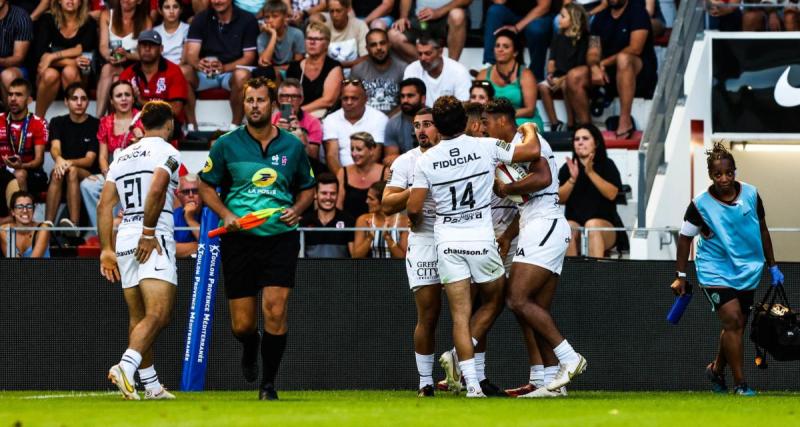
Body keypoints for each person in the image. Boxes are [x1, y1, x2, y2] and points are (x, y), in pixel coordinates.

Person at [406, 96, 542, 397]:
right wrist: (529, 127)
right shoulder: (485, 146)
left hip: (447, 242)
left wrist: (419, 220)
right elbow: (532, 150)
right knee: (494, 301)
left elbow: (414, 207)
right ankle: (469, 377)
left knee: (459, 315)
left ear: (438, 126)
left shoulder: (426, 160)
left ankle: (471, 387)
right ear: (465, 122)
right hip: (481, 239)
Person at [198, 77, 315, 401]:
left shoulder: (293, 145)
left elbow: (308, 187)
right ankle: (251, 344)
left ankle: (268, 385)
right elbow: (205, 184)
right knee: (242, 325)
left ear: (273, 104)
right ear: (244, 104)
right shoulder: (225, 144)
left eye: (261, 100)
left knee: (276, 310)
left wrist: (297, 208)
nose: (254, 106)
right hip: (240, 240)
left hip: (280, 237)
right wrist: (226, 214)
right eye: (249, 100)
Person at [488, 97, 586, 397]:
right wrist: (507, 234)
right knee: (534, 308)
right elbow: (529, 200)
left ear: (502, 120)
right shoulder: (515, 144)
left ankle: (570, 359)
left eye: (489, 122)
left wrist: (506, 188)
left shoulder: (528, 140)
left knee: (517, 299)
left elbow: (543, 179)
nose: (487, 128)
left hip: (545, 224)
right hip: (538, 223)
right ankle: (548, 383)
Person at [671, 143, 784, 397]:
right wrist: (680, 276)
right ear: (711, 176)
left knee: (737, 325)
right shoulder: (700, 204)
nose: (724, 179)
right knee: (733, 319)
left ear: (735, 171)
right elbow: (684, 238)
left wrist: (773, 265)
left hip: (747, 269)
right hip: (714, 269)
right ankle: (741, 384)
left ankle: (716, 369)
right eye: (718, 174)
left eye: (728, 173)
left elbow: (763, 230)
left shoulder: (752, 195)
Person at [99, 101, 181, 401]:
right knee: (160, 313)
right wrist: (148, 232)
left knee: (140, 316)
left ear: (142, 124)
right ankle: (126, 366)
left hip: (123, 239)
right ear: (169, 123)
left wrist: (106, 248)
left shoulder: (121, 156)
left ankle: (152, 386)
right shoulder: (168, 151)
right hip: (153, 236)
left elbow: (105, 204)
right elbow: (158, 188)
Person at [382, 107, 441, 396]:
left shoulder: (455, 154)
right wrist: (418, 188)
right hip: (423, 238)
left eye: (427, 124)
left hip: (458, 235)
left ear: (440, 127)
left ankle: (471, 376)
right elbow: (387, 203)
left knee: (468, 312)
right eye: (417, 126)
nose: (421, 130)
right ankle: (425, 381)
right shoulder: (406, 161)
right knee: (428, 314)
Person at [565, 0, 657, 139]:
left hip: (639, 75)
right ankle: (588, 130)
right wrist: (594, 66)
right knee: (573, 76)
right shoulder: (601, 16)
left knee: (623, 59)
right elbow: (593, 51)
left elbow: (635, 48)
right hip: (609, 74)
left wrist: (604, 63)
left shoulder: (638, 12)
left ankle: (625, 122)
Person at [182, 0, 259, 130]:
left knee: (242, 75)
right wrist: (199, 64)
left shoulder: (247, 19)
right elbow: (191, 53)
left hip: (230, 73)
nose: (217, 1)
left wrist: (224, 68)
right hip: (204, 73)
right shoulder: (201, 18)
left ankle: (234, 127)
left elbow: (249, 57)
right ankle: (191, 127)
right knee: (183, 71)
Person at [81, 80, 144, 233]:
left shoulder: (142, 119)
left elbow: (146, 154)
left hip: (137, 173)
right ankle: (103, 231)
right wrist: (108, 174)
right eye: (119, 95)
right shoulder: (106, 122)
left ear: (133, 98)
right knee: (87, 185)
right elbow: (102, 157)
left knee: (120, 187)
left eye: (127, 95)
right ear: (111, 100)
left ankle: (119, 230)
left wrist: (142, 138)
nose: (123, 99)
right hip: (113, 171)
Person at [558, 124, 624, 257]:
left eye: (585, 138)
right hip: (576, 225)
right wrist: (572, 179)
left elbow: (612, 194)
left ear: (596, 143)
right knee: (567, 227)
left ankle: (595, 276)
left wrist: (590, 172)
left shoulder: (607, 164)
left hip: (606, 227)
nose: (580, 142)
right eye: (577, 139)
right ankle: (572, 276)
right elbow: (558, 199)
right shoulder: (567, 168)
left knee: (592, 225)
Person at [44, 84, 100, 232]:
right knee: (59, 172)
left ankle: (74, 224)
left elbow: (89, 160)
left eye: (83, 99)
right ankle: (48, 224)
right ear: (66, 102)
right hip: (63, 172)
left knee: (72, 170)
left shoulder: (95, 124)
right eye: (74, 99)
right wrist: (60, 160)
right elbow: (55, 148)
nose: (79, 103)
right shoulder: (57, 121)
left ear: (88, 102)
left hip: (88, 175)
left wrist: (66, 163)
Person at [33, 0, 98, 118]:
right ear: (59, 1)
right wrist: (73, 61)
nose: (70, 0)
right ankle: (38, 121)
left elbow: (81, 51)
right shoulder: (48, 20)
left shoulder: (89, 23)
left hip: (77, 80)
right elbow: (40, 55)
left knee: (69, 71)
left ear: (80, 3)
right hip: (47, 84)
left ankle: (74, 122)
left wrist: (52, 56)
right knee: (50, 74)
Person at [119, 30, 189, 132]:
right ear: (138, 48)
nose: (147, 49)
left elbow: (176, 110)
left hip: (166, 125)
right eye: (143, 45)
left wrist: (141, 101)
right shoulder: (128, 73)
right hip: (136, 123)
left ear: (161, 49)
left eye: (152, 45)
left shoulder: (173, 71)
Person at [476, 30, 543, 129]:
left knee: (508, 128)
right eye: (497, 46)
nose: (500, 49)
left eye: (505, 46)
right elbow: (476, 103)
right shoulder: (483, 75)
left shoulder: (526, 75)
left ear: (515, 52)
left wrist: (501, 117)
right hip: (493, 120)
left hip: (523, 120)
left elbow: (529, 110)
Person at [96, 0, 153, 117]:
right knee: (115, 78)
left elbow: (146, 54)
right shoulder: (106, 15)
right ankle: (108, 122)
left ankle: (99, 119)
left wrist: (127, 56)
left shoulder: (146, 21)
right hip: (112, 61)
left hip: (135, 65)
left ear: (139, 1)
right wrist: (109, 56)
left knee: (109, 70)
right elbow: (103, 46)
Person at [539, 3, 589, 132]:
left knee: (567, 84)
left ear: (573, 19)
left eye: (563, 16)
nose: (559, 19)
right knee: (543, 87)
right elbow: (552, 59)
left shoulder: (582, 39)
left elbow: (580, 65)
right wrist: (550, 75)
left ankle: (571, 122)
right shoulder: (558, 36)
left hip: (570, 77)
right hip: (557, 74)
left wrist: (562, 79)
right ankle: (555, 123)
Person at [321, 79, 388, 175]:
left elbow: (375, 154)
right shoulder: (330, 119)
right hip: (340, 175)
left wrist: (361, 177)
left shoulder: (379, 118)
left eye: (354, 98)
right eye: (345, 98)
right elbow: (332, 155)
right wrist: (343, 179)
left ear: (365, 99)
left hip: (370, 174)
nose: (349, 102)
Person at [0, 79, 48, 202]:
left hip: (30, 172)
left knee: (19, 173)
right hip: (2, 171)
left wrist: (22, 165)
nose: (13, 99)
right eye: (10, 94)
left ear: (29, 100)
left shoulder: (39, 123)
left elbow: (39, 160)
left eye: (18, 95)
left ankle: (22, 215)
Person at [483, 0, 555, 81]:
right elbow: (499, 1)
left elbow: (544, 7)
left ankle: (535, 77)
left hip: (538, 16)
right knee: (495, 11)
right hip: (513, 14)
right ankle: (490, 66)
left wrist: (517, 28)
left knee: (536, 29)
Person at [285, 22, 344, 117]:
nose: (312, 42)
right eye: (309, 38)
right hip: (293, 116)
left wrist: (299, 111)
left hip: (322, 116)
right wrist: (285, 116)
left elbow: (328, 101)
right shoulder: (294, 66)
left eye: (317, 39)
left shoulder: (334, 67)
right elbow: (286, 97)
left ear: (327, 43)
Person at [388, 0, 469, 62]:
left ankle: (451, 66)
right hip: (421, 18)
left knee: (458, 15)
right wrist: (403, 16)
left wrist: (439, 12)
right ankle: (430, 62)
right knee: (393, 35)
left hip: (447, 17)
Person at [350, 28, 407, 116]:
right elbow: (353, 101)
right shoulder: (358, 70)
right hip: (367, 120)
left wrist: (388, 119)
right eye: (373, 45)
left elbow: (407, 102)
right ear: (367, 48)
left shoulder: (403, 69)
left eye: (382, 43)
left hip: (395, 120)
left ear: (389, 44)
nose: (379, 48)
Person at [402, 36, 471, 107]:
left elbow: (464, 106)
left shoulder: (459, 71)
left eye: (427, 53)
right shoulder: (411, 69)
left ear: (440, 52)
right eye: (420, 54)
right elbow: (407, 103)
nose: (423, 58)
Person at [271, 78, 324, 171]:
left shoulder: (313, 122)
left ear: (301, 99)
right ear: (279, 99)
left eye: (294, 96)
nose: (290, 100)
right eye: (285, 96)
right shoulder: (271, 121)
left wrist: (301, 138)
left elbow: (313, 157)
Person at [299, 171, 355, 258]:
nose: (328, 198)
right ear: (315, 194)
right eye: (324, 193)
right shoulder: (304, 221)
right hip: (311, 271)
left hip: (341, 271)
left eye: (332, 193)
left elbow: (354, 257)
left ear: (337, 194)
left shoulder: (348, 220)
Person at [336, 132, 387, 219]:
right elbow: (338, 205)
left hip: (375, 225)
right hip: (348, 226)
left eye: (359, 149)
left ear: (371, 150)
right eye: (352, 149)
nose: (354, 154)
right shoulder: (343, 172)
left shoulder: (385, 172)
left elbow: (388, 205)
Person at [351, 180, 408, 259]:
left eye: (371, 199)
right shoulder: (363, 220)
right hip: (373, 269)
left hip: (397, 269)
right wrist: (369, 238)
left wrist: (388, 238)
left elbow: (404, 257)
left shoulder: (403, 221)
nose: (367, 201)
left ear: (383, 201)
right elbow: (355, 256)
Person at [383, 77, 425, 165]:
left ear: (423, 98)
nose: (405, 100)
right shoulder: (392, 123)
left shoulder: (435, 118)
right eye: (402, 96)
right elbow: (390, 160)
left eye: (410, 96)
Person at [255, 0, 304, 75]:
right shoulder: (261, 37)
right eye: (267, 17)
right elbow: (264, 62)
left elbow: (298, 64)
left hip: (291, 72)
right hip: (271, 73)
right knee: (262, 72)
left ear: (285, 17)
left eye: (275, 16)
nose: (270, 20)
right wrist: (273, 35)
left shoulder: (297, 34)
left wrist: (277, 69)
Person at [0, 191, 50, 257]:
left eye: (29, 206)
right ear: (12, 212)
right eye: (19, 207)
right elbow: (13, 264)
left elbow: (33, 264)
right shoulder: (4, 231)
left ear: (33, 210)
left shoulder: (43, 229)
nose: (25, 210)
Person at [321, 0, 368, 68]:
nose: (334, 15)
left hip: (355, 73)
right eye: (331, 11)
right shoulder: (324, 29)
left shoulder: (359, 26)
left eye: (338, 11)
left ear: (348, 9)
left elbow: (366, 57)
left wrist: (339, 65)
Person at [0, 0, 33, 90]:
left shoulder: (20, 17)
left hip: (14, 67)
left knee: (8, 76)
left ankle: (8, 104)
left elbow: (18, 58)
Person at [153, 0, 190, 65]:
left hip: (180, 69)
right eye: (167, 7)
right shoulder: (155, 31)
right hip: (160, 69)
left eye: (175, 7)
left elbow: (185, 60)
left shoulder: (187, 29)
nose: (171, 11)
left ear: (181, 9)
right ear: (160, 10)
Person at [173, 173, 201, 258]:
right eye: (186, 192)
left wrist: (190, 219)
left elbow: (212, 246)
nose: (191, 195)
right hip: (182, 269)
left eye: (195, 191)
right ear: (178, 195)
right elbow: (169, 248)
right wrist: (198, 246)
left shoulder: (211, 214)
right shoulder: (172, 217)